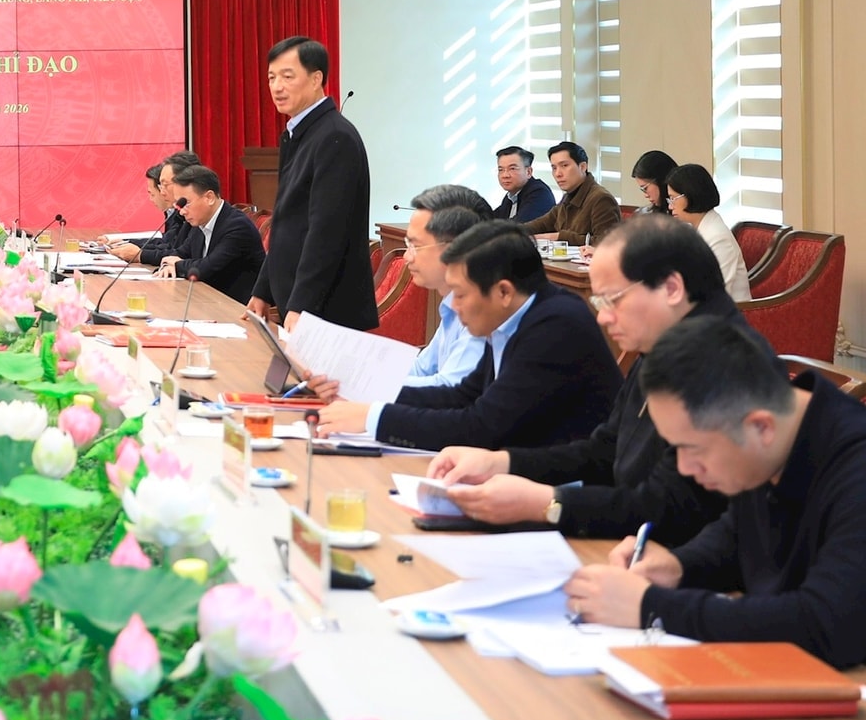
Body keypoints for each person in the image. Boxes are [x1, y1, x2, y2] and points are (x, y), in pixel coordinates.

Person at [563, 318, 866, 707]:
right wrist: (679, 566)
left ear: (761, 427)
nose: (684, 468)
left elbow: (825, 626)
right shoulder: (777, 440)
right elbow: (738, 535)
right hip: (811, 689)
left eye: (692, 448)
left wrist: (650, 607)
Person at [429, 216, 739, 543]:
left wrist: (548, 504)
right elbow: (605, 450)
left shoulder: (723, 364)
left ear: (671, 288)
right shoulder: (666, 340)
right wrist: (500, 462)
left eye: (612, 300)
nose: (603, 317)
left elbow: (671, 508)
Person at [315, 221, 618, 450]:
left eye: (460, 295)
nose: (454, 307)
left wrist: (374, 418)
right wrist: (364, 394)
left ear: (503, 291)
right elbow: (461, 396)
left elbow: (482, 426)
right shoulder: (512, 316)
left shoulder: (555, 326)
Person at [249, 37, 376, 331]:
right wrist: (263, 290)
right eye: (271, 77)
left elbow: (327, 231)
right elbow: (286, 222)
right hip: (301, 303)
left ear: (316, 78)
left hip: (326, 310)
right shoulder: (297, 135)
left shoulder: (335, 137)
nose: (277, 87)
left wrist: (302, 306)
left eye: (287, 76)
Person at [394, 185, 494, 390]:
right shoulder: (452, 302)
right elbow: (422, 369)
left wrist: (373, 387)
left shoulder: (485, 308)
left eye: (415, 246)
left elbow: (451, 389)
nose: (406, 257)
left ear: (455, 249)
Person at [153, 164, 266, 303]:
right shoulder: (200, 222)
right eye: (179, 204)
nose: (181, 212)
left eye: (186, 203)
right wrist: (166, 265)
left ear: (209, 197)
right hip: (207, 299)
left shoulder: (237, 226)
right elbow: (180, 253)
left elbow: (206, 268)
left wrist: (176, 265)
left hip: (236, 306)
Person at [664, 163, 752, 301]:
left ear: (691, 194)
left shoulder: (718, 238)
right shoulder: (693, 230)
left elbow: (715, 296)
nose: (670, 206)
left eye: (673, 198)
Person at [103, 153, 200, 266]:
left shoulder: (199, 216)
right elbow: (172, 246)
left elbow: (184, 256)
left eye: (165, 185)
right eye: (160, 186)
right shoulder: (182, 213)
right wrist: (128, 245)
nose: (162, 192)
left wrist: (140, 255)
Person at [523, 141, 621, 245]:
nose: (558, 174)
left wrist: (559, 237)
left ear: (582, 167)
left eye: (564, 165)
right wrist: (513, 231)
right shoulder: (568, 196)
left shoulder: (601, 198)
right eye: (554, 168)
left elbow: (607, 243)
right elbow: (541, 224)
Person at [492, 146, 554, 222]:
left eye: (512, 168)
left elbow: (519, 225)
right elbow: (491, 219)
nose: (505, 175)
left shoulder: (539, 193)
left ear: (528, 172)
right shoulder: (510, 197)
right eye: (501, 170)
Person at [629, 150, 678, 216]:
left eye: (645, 188)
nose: (646, 195)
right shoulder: (644, 214)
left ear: (661, 180)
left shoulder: (683, 213)